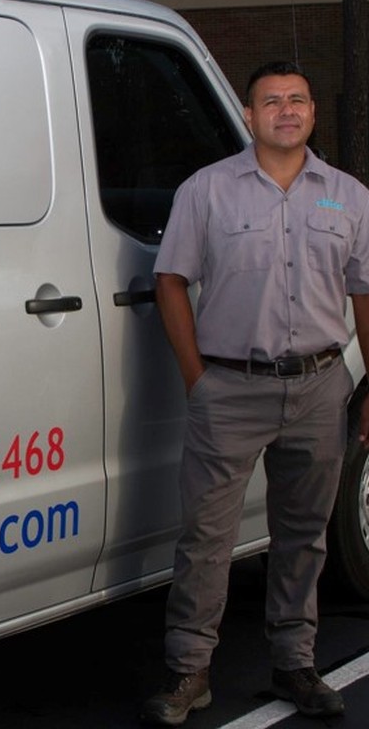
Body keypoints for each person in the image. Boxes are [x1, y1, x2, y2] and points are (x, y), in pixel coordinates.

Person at [140, 60, 369, 726]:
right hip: (230, 389)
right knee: (206, 538)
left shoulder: (348, 196)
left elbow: (363, 294)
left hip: (322, 385)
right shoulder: (206, 192)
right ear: (249, 116)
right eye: (271, 102)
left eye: (298, 99)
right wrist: (197, 378)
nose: (286, 111)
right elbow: (171, 281)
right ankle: (190, 672)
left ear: (312, 114)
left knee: (303, 536)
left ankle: (294, 662)